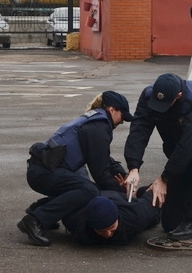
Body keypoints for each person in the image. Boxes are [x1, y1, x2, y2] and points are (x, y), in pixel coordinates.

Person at [124, 73, 192, 241]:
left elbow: (190, 146)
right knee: (170, 224)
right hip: (181, 159)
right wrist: (133, 167)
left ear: (179, 96)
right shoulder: (148, 96)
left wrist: (164, 178)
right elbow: (139, 132)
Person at [18, 91, 133, 247]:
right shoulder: (99, 126)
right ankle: (35, 220)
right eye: (122, 116)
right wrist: (121, 192)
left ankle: (41, 208)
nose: (122, 122)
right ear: (112, 110)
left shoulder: (94, 120)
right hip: (43, 173)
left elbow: (102, 157)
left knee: (86, 188)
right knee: (89, 191)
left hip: (43, 170)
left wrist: (123, 175)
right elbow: (100, 173)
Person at [62, 191, 160, 246]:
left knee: (155, 218)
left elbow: (153, 199)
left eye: (111, 227)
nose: (108, 233)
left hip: (120, 198)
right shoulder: (74, 222)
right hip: (96, 193)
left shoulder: (136, 216)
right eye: (101, 230)